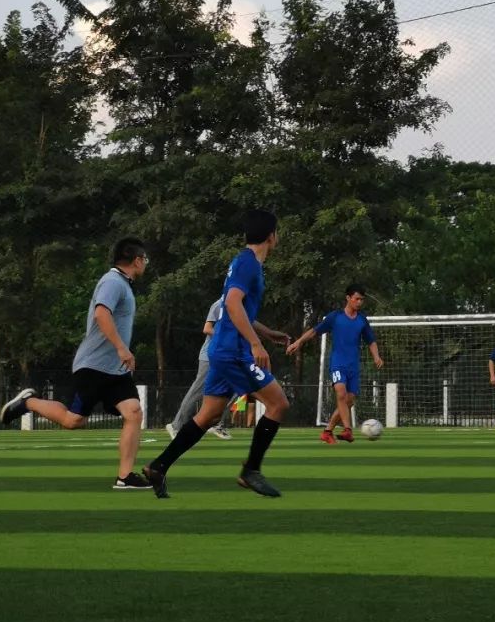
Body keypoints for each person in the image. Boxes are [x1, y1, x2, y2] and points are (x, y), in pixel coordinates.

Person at [143, 210, 289, 498]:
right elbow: (232, 304)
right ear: (272, 236)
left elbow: (236, 308)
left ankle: (159, 466)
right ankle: (251, 471)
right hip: (234, 352)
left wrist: (266, 333)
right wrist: (255, 344)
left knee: (208, 415)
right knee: (278, 404)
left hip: (222, 349)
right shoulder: (249, 264)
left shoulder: (243, 261)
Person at [0, 238, 151, 489]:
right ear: (136, 260)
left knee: (133, 412)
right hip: (93, 366)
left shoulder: (123, 284)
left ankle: (125, 477)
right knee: (74, 421)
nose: (145, 264)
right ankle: (29, 402)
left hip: (116, 369)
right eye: (145, 259)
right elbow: (101, 314)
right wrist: (122, 348)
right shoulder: (113, 281)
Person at [166, 300, 289, 441]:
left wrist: (270, 334)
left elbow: (250, 322)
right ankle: (176, 425)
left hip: (231, 357)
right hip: (211, 356)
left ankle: (216, 423)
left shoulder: (241, 306)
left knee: (239, 388)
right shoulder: (220, 304)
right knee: (198, 391)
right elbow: (207, 328)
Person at [287, 284, 384, 444]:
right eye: (357, 299)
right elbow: (314, 331)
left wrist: (376, 356)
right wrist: (298, 342)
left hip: (354, 366)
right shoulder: (335, 317)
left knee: (349, 401)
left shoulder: (362, 320)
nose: (359, 302)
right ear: (348, 298)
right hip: (338, 364)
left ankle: (327, 431)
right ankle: (347, 430)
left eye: (362, 300)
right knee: (340, 393)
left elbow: (371, 341)